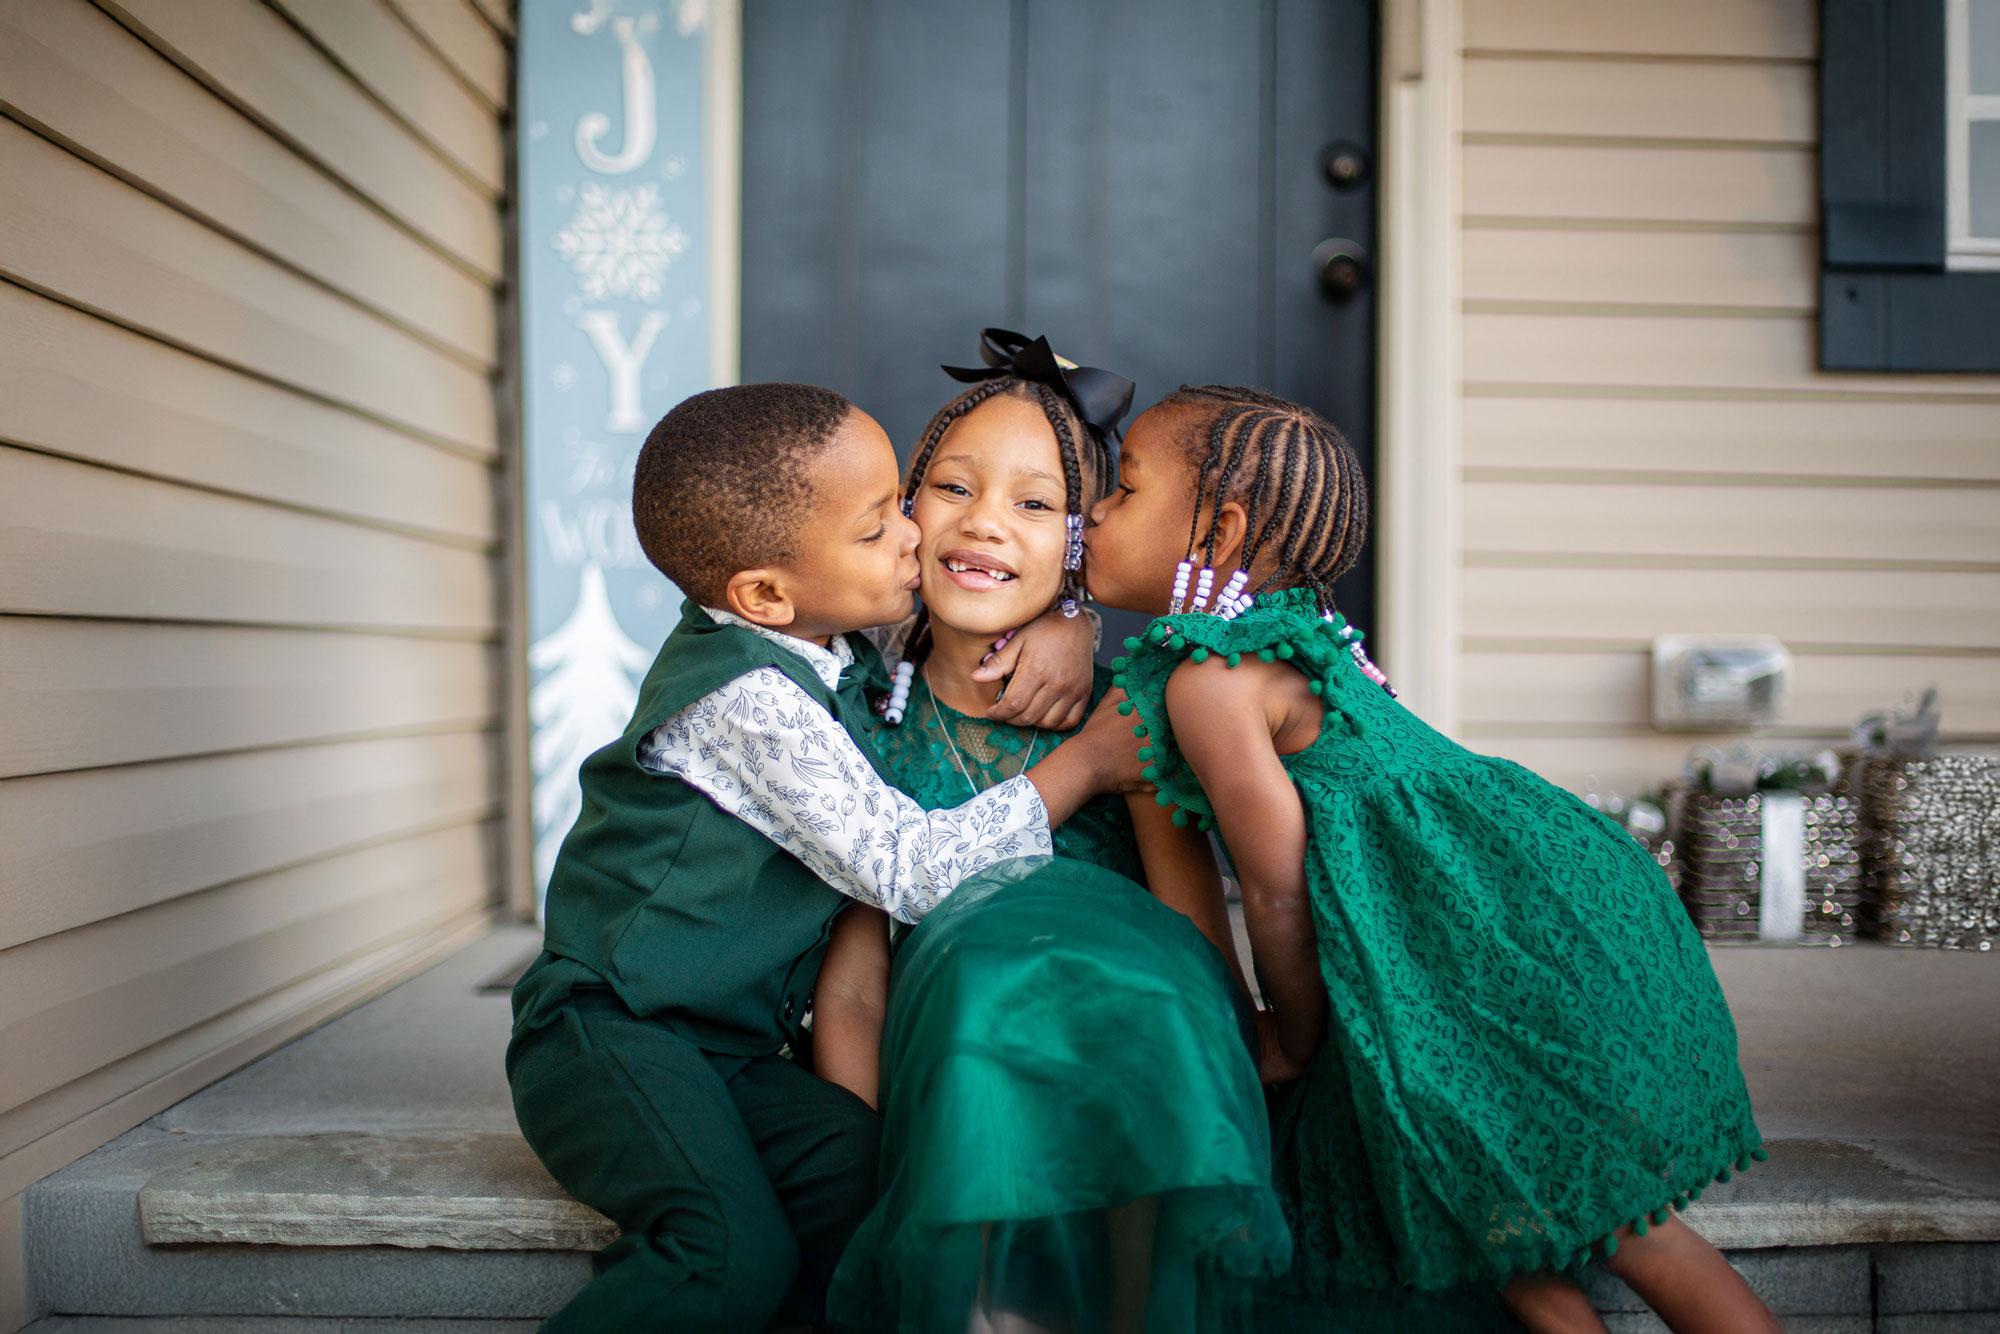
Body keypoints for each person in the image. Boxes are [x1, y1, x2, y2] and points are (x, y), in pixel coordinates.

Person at [1082, 385, 1781, 1334]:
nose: (1094, 515)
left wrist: (1290, 1038)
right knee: (1481, 1194)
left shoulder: (1213, 683)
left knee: (1630, 1229)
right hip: (1503, 932)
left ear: (1220, 531)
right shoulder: (1304, 641)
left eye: (1121, 491)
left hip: (1494, 961)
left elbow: (1279, 892)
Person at [506, 382, 1146, 1333]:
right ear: (766, 594)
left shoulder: (823, 633)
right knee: (727, 1255)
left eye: (902, 501)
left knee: (853, 1172)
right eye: (880, 523)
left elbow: (984, 601)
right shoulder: (742, 702)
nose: (913, 537)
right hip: (611, 1033)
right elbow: (911, 868)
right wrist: (1085, 765)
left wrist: (1073, 620)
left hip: (722, 1045)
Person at [813, 335, 1291, 1333]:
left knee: (1146, 1008)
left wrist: (1246, 1067)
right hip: (966, 1056)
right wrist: (855, 1155)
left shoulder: (1121, 715)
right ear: (902, 513)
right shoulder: (860, 718)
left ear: (1082, 542)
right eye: (950, 485)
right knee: (986, 992)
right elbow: (855, 977)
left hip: (1140, 1041)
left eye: (1035, 504)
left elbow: (1194, 935)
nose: (983, 520)